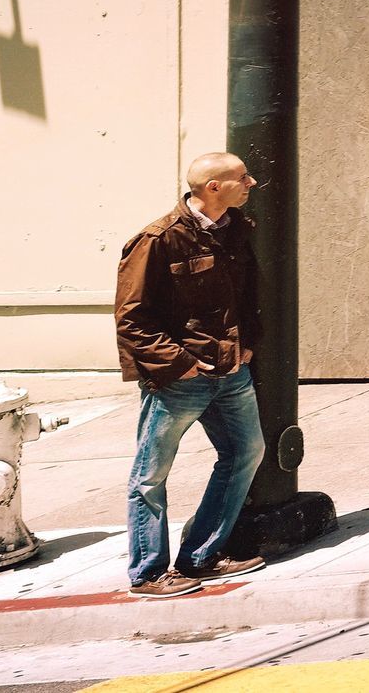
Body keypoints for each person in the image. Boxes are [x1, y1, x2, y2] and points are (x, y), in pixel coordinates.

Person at [115, 152, 267, 598]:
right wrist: (181, 365)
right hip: (180, 379)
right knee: (150, 475)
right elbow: (131, 320)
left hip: (231, 370)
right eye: (242, 178)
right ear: (213, 187)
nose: (251, 183)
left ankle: (201, 556)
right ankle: (148, 573)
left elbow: (248, 295)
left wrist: (248, 346)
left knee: (245, 452)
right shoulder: (157, 240)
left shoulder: (236, 230)